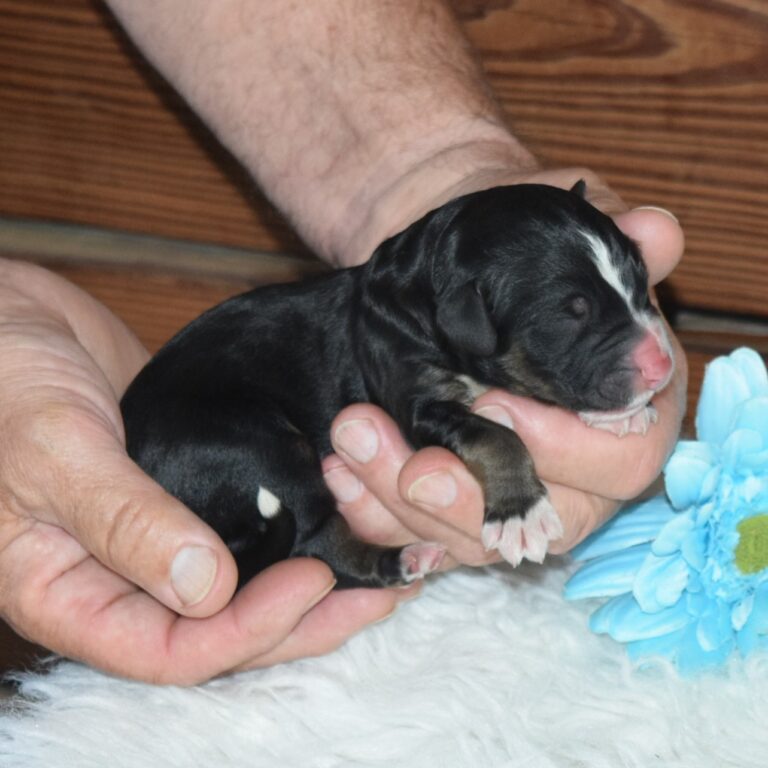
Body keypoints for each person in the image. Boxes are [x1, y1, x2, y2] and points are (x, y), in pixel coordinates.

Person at [0, 0, 686, 684]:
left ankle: (328, 551)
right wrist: (509, 483)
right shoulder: (410, 333)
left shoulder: (440, 301)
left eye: (632, 291)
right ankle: (339, 554)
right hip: (205, 418)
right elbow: (437, 421)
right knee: (295, 476)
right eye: (576, 317)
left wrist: (442, 167)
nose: (653, 353)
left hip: (222, 413)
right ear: (465, 319)